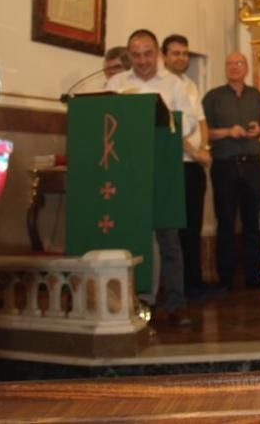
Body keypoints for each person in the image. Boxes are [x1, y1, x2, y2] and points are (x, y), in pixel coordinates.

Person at [106, 29, 196, 327]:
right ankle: (135, 301)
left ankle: (175, 303)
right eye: (136, 54)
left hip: (164, 170)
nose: (142, 60)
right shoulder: (116, 83)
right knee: (131, 239)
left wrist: (159, 132)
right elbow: (106, 122)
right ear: (129, 55)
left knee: (169, 239)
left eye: (147, 54)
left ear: (157, 53)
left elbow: (187, 124)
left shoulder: (175, 85)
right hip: (129, 172)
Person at [203, 52, 260, 290]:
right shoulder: (213, 97)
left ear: (246, 68)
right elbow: (205, 132)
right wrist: (228, 132)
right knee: (226, 221)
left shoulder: (256, 96)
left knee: (252, 221)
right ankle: (226, 278)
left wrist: (258, 129)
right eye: (230, 64)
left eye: (239, 63)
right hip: (224, 165)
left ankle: (253, 276)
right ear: (225, 68)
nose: (234, 67)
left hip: (252, 165)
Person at [161, 34, 213, 299]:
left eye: (184, 53)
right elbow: (170, 128)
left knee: (193, 225)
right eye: (175, 53)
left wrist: (204, 149)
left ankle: (194, 281)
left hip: (194, 165)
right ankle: (179, 287)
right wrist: (194, 151)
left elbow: (201, 120)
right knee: (177, 229)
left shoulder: (190, 84)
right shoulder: (162, 86)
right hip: (176, 164)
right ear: (164, 56)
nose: (181, 58)